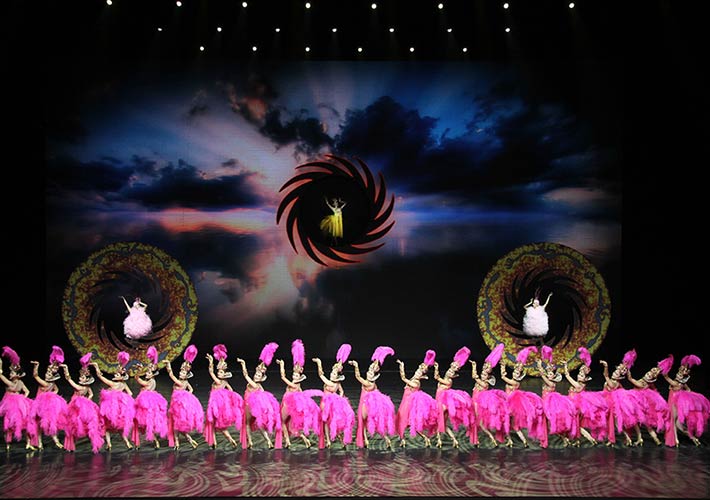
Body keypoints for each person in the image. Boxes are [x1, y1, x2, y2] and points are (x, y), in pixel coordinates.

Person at [275, 339, 322, 449]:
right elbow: (301, 395)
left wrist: (281, 365)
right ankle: (303, 439)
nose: (294, 376)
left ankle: (288, 441)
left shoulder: (294, 384)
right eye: (294, 375)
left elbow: (282, 377)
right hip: (292, 405)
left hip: (287, 405)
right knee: (291, 426)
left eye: (296, 376)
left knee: (282, 422)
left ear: (299, 377)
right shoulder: (298, 386)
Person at [236, 342, 283, 449]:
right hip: (252, 406)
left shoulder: (254, 384)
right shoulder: (259, 386)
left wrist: (243, 364)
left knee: (248, 423)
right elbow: (263, 395)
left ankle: (254, 442)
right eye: (256, 374)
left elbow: (245, 375)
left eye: (258, 375)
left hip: (249, 406)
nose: (256, 376)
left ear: (261, 378)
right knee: (257, 424)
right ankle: (264, 441)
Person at [349, 346, 397, 450]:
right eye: (369, 371)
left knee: (362, 421)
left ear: (374, 376)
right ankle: (385, 439)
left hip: (365, 404)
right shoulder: (373, 383)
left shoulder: (367, 383)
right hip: (370, 405)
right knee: (372, 423)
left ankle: (366, 440)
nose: (368, 372)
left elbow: (358, 377)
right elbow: (373, 371)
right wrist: (376, 361)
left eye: (371, 373)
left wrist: (356, 366)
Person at [500, 346, 548, 448]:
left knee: (507, 423)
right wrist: (518, 365)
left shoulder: (515, 383)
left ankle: (514, 440)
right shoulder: (514, 381)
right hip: (508, 403)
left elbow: (503, 377)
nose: (515, 374)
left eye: (517, 373)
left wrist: (502, 367)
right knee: (513, 426)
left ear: (519, 376)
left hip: (511, 406)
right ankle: (521, 441)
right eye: (515, 372)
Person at [598, 349, 646, 446]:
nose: (614, 373)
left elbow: (606, 376)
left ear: (619, 377)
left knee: (616, 423)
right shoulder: (614, 382)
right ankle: (629, 438)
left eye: (616, 373)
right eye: (615, 372)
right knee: (613, 423)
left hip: (613, 404)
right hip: (608, 402)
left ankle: (627, 438)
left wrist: (606, 366)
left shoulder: (614, 383)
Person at [562, 347, 609, 446]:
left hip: (575, 407)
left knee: (576, 426)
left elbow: (567, 376)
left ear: (585, 379)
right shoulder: (580, 384)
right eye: (579, 374)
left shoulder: (578, 385)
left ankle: (591, 439)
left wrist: (565, 366)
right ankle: (577, 441)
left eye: (581, 375)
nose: (579, 375)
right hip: (574, 405)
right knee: (576, 425)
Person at [313, 344, 356, 449]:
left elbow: (321, 375)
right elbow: (341, 391)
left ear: (337, 376)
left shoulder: (330, 383)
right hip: (331, 404)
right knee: (331, 422)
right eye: (332, 372)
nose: (331, 374)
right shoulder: (337, 383)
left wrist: (319, 363)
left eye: (334, 374)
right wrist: (339, 399)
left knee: (327, 422)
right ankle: (338, 441)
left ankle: (329, 440)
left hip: (326, 404)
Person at [661, 354, 710, 447]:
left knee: (672, 421)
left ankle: (675, 440)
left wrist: (665, 369)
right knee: (679, 426)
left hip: (674, 403)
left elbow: (666, 377)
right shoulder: (682, 383)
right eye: (679, 372)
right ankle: (693, 438)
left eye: (681, 373)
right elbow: (688, 390)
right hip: (678, 402)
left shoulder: (675, 383)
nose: (679, 373)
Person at [60, 353, 104, 453]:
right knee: (85, 425)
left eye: (82, 378)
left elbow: (69, 379)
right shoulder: (87, 387)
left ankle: (70, 445)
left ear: (86, 379)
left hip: (75, 407)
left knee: (72, 425)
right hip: (82, 406)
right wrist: (87, 400)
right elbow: (91, 394)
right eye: (80, 377)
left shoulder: (79, 387)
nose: (80, 378)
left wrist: (66, 369)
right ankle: (94, 444)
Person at [469, 343, 510, 447]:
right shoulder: (481, 380)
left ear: (488, 376)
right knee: (475, 421)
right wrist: (474, 366)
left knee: (480, 423)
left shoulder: (485, 384)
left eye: (485, 373)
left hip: (478, 402)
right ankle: (476, 440)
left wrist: (475, 367)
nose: (482, 374)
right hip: (474, 400)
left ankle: (492, 439)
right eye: (482, 372)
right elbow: (475, 376)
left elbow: (475, 377)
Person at [395, 350, 438, 448]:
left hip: (408, 404)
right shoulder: (415, 379)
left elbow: (403, 378)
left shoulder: (415, 383)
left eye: (420, 372)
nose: (417, 372)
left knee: (404, 421)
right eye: (418, 370)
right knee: (403, 421)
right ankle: (404, 439)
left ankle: (419, 438)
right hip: (405, 402)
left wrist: (401, 366)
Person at [432, 347, 473, 449]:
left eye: (451, 372)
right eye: (449, 370)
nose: (449, 372)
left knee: (439, 421)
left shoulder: (448, 381)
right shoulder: (445, 378)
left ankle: (439, 440)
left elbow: (436, 377)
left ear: (453, 375)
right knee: (442, 424)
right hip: (439, 401)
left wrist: (436, 367)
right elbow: (437, 376)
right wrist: (437, 368)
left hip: (442, 403)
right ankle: (454, 440)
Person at [93, 351, 135, 450]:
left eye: (116, 374)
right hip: (120, 409)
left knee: (107, 427)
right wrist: (123, 400)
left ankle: (109, 444)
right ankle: (127, 443)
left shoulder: (113, 384)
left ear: (121, 376)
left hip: (111, 409)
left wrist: (97, 368)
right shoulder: (123, 384)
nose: (115, 375)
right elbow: (130, 394)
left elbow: (101, 377)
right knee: (120, 428)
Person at [536, 346, 577, 447]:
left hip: (550, 404)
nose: (548, 375)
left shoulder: (551, 383)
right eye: (548, 373)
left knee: (551, 424)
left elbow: (542, 375)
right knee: (544, 423)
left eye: (550, 374)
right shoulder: (548, 382)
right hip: (544, 402)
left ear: (554, 376)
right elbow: (543, 374)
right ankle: (544, 441)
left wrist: (539, 365)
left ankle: (565, 438)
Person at [204, 344, 243, 449]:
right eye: (219, 372)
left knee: (212, 424)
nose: (218, 373)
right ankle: (228, 440)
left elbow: (211, 372)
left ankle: (215, 443)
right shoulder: (225, 382)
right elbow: (231, 391)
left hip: (215, 406)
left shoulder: (218, 381)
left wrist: (211, 362)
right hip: (219, 406)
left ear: (224, 374)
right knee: (218, 426)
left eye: (221, 372)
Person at [164, 344, 203, 449]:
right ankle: (186, 441)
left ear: (186, 375)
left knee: (176, 425)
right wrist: (187, 396)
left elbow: (171, 375)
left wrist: (168, 365)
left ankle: (180, 442)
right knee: (176, 426)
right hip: (176, 404)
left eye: (183, 373)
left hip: (178, 407)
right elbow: (191, 389)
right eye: (181, 372)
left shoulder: (180, 383)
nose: (181, 373)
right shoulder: (185, 382)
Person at [29, 346, 68, 450]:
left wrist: (50, 396)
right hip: (40, 405)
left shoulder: (47, 383)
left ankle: (50, 442)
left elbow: (36, 376)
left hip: (43, 406)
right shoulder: (49, 383)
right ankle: (44, 443)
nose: (47, 374)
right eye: (47, 372)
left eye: (49, 373)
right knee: (41, 424)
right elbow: (56, 390)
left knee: (45, 423)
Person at [625, 356, 669, 446]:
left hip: (638, 403)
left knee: (638, 422)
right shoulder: (650, 383)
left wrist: (628, 370)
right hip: (643, 402)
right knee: (646, 424)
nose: (647, 375)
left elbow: (630, 379)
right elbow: (654, 388)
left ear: (651, 378)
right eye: (648, 373)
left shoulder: (642, 383)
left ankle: (640, 438)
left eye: (649, 375)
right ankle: (656, 439)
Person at [132, 346, 169, 449]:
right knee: (150, 423)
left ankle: (155, 442)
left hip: (147, 404)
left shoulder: (149, 382)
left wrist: (138, 371)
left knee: (147, 423)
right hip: (151, 402)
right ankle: (154, 442)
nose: (146, 374)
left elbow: (137, 379)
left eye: (148, 373)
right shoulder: (151, 380)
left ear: (152, 375)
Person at [0, 346, 36, 451]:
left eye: (12, 373)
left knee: (9, 423)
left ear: (16, 375)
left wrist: (0, 365)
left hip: (11, 404)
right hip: (20, 403)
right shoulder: (20, 383)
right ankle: (28, 443)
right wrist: (22, 399)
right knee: (23, 422)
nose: (10, 374)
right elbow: (27, 391)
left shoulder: (10, 383)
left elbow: (0, 376)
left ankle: (8, 444)